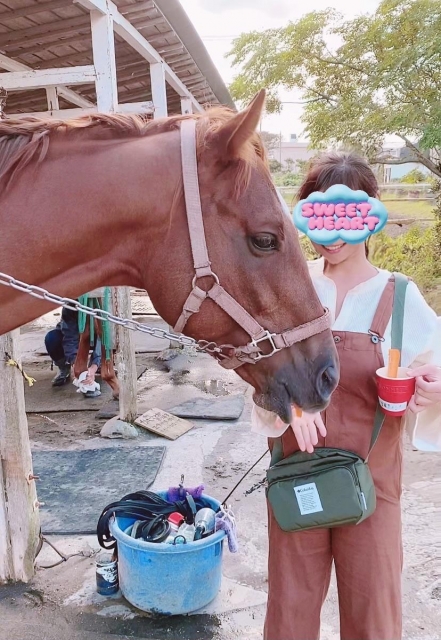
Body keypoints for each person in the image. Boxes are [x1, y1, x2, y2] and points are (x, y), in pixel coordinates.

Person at [253, 151, 441, 640]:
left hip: (373, 487)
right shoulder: (289, 287)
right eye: (320, 214)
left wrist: (431, 386)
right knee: (290, 612)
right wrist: (288, 406)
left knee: (373, 612)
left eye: (347, 215)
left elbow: (437, 363)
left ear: (369, 216)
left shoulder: (400, 296)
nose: (332, 234)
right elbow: (253, 367)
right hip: (298, 473)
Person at [45, 305, 101, 388]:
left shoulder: (105, 303)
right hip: (76, 335)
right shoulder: (70, 305)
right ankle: (64, 367)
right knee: (51, 338)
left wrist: (94, 366)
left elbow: (104, 339)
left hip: (95, 336)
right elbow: (69, 338)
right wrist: (75, 363)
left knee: (105, 338)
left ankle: (100, 364)